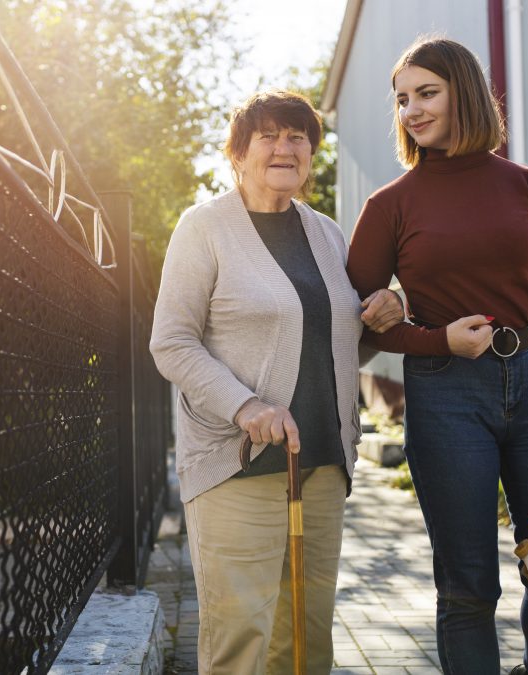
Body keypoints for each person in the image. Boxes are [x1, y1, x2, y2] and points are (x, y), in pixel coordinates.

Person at [346, 37, 528, 675]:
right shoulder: (388, 206)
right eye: (402, 99)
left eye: (426, 93)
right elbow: (354, 322)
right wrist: (433, 339)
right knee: (468, 584)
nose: (411, 109)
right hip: (446, 394)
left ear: (463, 91)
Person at [150, 90, 403, 674]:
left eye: (298, 137)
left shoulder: (327, 234)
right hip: (237, 465)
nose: (285, 148)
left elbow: (335, 344)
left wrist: (388, 310)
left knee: (307, 641)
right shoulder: (203, 228)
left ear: (312, 155)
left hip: (320, 466)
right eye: (267, 136)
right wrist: (244, 406)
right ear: (238, 153)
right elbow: (171, 342)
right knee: (242, 636)